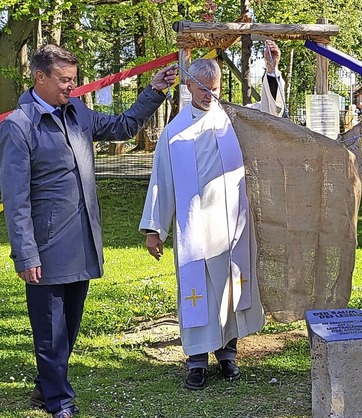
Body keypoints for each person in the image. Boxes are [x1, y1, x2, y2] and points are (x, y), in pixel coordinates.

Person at [0, 44, 177, 418]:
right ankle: (60, 402)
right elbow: (15, 200)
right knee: (50, 331)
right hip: (45, 246)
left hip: (81, 241)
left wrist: (154, 91)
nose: (71, 87)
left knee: (69, 328)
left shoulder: (76, 112)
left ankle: (43, 388)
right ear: (40, 78)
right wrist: (25, 253)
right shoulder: (19, 126)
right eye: (64, 80)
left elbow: (123, 126)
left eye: (74, 80)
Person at [139, 42, 287, 391]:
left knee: (230, 291)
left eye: (215, 89)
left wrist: (271, 70)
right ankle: (195, 362)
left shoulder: (234, 120)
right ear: (188, 85)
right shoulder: (175, 133)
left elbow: (271, 113)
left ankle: (228, 356)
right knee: (197, 293)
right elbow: (161, 181)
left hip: (232, 224)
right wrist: (154, 229)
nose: (209, 95)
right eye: (202, 88)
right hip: (194, 228)